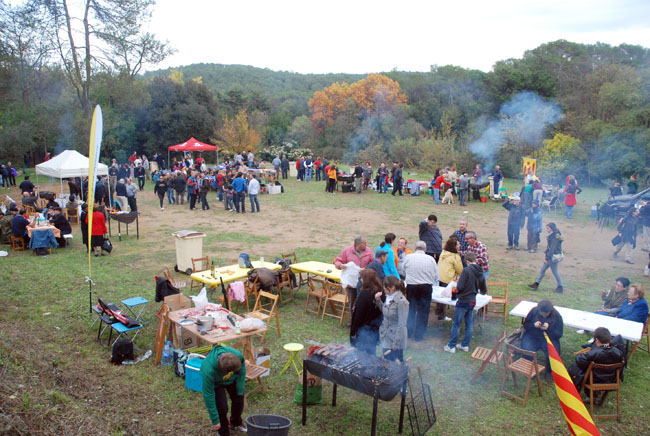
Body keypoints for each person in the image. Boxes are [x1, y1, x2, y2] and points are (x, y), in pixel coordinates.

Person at [443, 252, 487, 353]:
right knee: (469, 324)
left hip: (463, 300)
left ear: (467, 261)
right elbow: (484, 290)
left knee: (457, 323)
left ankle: (451, 346)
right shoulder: (480, 272)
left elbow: (460, 287)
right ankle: (465, 345)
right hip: (472, 301)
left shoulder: (466, 270)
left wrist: (458, 286)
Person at [200, 345, 247, 436]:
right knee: (222, 407)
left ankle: (235, 423)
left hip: (232, 379)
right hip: (217, 383)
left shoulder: (238, 356)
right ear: (224, 371)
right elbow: (208, 395)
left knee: (238, 400)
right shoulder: (208, 370)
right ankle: (223, 431)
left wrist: (240, 390)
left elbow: (242, 372)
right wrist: (215, 420)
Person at [403, 240, 438, 342]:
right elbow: (435, 274)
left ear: (415, 248)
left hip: (412, 286)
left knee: (411, 310)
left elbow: (403, 270)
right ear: (425, 249)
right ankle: (419, 336)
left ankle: (409, 332)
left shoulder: (408, 257)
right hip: (425, 287)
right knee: (423, 312)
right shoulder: (431, 259)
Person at [521, 299, 564, 379]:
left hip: (548, 339)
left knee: (554, 352)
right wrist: (533, 325)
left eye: (546, 314)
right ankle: (530, 369)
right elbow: (525, 325)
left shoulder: (557, 316)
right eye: (542, 313)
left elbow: (559, 334)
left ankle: (548, 371)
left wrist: (549, 328)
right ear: (539, 310)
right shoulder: (534, 311)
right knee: (527, 349)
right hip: (533, 336)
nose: (544, 315)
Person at [334, 235, 375, 314]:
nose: (366, 245)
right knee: (352, 302)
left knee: (363, 301)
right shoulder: (347, 250)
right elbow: (337, 260)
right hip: (351, 282)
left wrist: (366, 269)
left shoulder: (369, 251)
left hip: (364, 282)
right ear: (358, 244)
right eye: (364, 243)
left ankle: (362, 320)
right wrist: (340, 265)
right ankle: (353, 321)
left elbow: (373, 263)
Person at [350, 269, 383, 356]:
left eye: (362, 278)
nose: (361, 280)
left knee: (362, 355)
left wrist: (353, 331)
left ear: (366, 280)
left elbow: (358, 315)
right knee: (371, 354)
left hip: (364, 331)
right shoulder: (380, 292)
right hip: (375, 330)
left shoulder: (365, 295)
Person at [375, 275, 409, 362]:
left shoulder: (402, 302)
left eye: (385, 288)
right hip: (386, 335)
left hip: (395, 337)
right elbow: (386, 312)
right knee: (387, 361)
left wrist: (396, 343)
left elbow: (402, 325)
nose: (384, 290)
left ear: (392, 288)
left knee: (395, 363)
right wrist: (378, 300)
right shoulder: (389, 297)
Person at [528, 222, 564, 293]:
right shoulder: (554, 235)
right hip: (551, 256)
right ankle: (537, 283)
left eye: (548, 228)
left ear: (552, 228)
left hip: (552, 257)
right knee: (543, 269)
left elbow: (552, 249)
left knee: (554, 272)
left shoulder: (554, 236)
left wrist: (546, 258)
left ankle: (560, 287)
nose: (547, 229)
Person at [437, 238, 464, 321]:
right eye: (458, 244)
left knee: (440, 298)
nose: (460, 245)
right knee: (447, 299)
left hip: (440, 277)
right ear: (454, 246)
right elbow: (460, 270)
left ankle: (439, 312)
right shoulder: (455, 257)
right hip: (448, 279)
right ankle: (442, 316)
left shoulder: (443, 253)